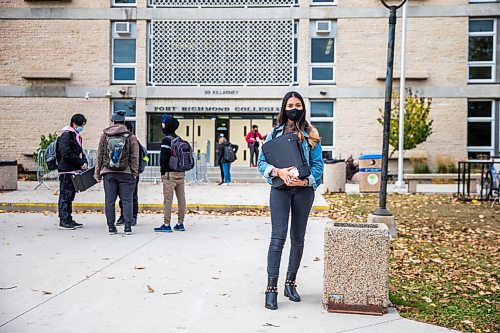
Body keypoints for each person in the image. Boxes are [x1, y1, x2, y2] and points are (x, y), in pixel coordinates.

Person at [257, 91, 324, 310]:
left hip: (303, 191)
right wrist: (277, 171)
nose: (293, 108)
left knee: (298, 238)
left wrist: (306, 182)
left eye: (297, 104)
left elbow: (318, 166)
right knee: (278, 238)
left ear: (303, 107)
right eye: (290, 105)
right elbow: (261, 162)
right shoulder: (274, 133)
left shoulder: (311, 133)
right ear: (284, 108)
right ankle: (271, 289)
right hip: (280, 190)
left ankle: (290, 283)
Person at [94, 111, 140, 235]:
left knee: (109, 201)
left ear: (113, 122)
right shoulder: (131, 137)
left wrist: (97, 173)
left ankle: (111, 227)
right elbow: (135, 157)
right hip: (127, 173)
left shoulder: (105, 135)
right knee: (127, 200)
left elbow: (99, 155)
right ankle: (128, 227)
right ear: (124, 122)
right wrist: (134, 173)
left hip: (109, 173)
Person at [154, 115, 187, 232]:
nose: (162, 125)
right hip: (180, 173)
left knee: (168, 200)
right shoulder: (179, 139)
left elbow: (163, 159)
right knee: (181, 199)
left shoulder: (166, 140)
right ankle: (180, 223)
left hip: (169, 175)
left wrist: (162, 173)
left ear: (167, 125)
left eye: (163, 123)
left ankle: (167, 224)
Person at [57, 114, 88, 230]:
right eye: (81, 125)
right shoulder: (66, 135)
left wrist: (83, 162)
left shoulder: (75, 135)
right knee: (65, 195)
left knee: (70, 195)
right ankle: (63, 220)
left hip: (73, 170)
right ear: (74, 124)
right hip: (66, 170)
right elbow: (67, 153)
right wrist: (80, 162)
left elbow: (79, 151)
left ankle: (68, 218)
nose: (82, 127)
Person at [116, 121, 147, 227]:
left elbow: (136, 158)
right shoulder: (121, 141)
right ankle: (123, 216)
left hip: (132, 173)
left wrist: (135, 172)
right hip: (122, 172)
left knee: (132, 196)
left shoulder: (134, 141)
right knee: (122, 196)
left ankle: (133, 216)